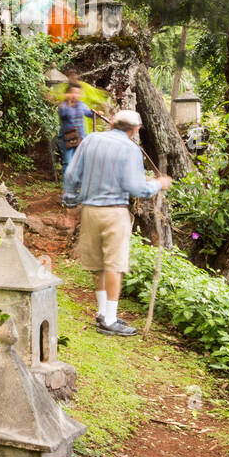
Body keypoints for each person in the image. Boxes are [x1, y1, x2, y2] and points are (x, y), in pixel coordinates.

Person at [62, 109, 172, 336]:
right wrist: (158, 184)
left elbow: (72, 175)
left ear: (112, 123)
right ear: (135, 130)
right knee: (114, 264)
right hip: (114, 213)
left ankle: (103, 313)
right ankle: (110, 319)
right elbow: (137, 188)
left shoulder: (91, 140)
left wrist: (71, 205)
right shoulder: (130, 148)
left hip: (90, 210)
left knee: (99, 264)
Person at [57, 81, 95, 171]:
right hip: (67, 138)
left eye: (78, 93)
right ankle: (67, 184)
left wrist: (96, 113)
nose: (75, 95)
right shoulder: (63, 105)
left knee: (79, 162)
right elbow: (63, 115)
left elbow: (89, 114)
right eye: (73, 92)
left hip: (80, 137)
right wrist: (69, 103)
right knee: (68, 162)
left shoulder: (82, 105)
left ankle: (77, 183)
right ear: (68, 93)